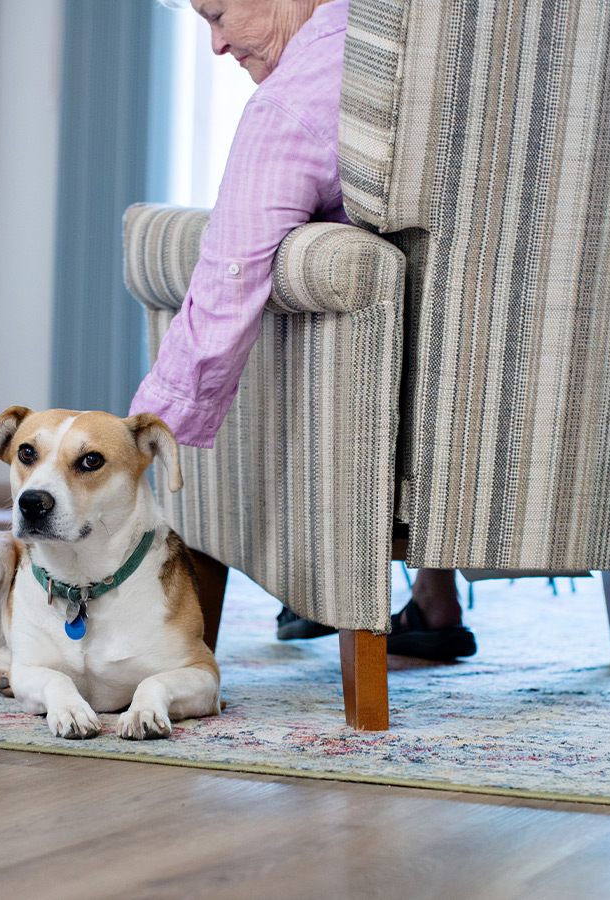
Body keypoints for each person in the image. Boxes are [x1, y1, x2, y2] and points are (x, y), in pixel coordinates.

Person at [128, 0, 476, 661]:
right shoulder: (475, 30)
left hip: (402, 410)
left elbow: (230, 279)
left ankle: (319, 573)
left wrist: (131, 446)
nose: (217, 46)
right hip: (551, 395)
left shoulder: (298, 101)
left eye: (219, 13)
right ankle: (435, 596)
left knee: (276, 277)